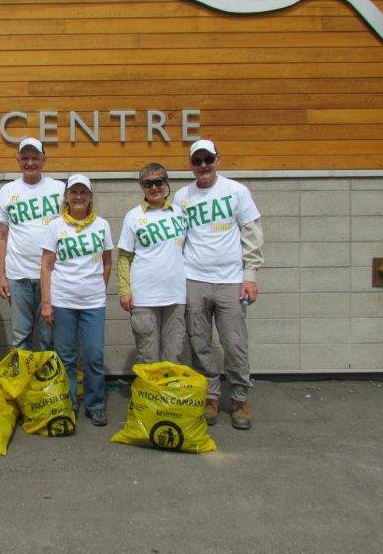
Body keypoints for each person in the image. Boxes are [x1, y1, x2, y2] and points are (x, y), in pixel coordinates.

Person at [174, 139, 264, 430]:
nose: (203, 166)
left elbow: (251, 234)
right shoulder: (182, 196)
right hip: (194, 279)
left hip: (230, 281)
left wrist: (250, 276)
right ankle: (210, 396)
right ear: (190, 165)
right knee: (199, 343)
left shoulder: (236, 192)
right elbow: (178, 239)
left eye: (207, 160)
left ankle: (239, 398)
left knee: (234, 343)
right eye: (197, 161)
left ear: (217, 160)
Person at [40, 174, 113, 426]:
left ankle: (95, 404)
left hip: (93, 303)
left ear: (91, 196)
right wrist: (47, 302)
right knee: (66, 356)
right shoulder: (55, 226)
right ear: (66, 196)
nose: (78, 196)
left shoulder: (102, 225)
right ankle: (68, 402)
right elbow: (47, 266)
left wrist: (96, 288)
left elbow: (107, 262)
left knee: (93, 355)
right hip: (63, 302)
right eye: (74, 192)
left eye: (83, 192)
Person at [0, 137, 65, 351]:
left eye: (35, 157)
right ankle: (21, 382)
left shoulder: (60, 189)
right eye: (25, 158)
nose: (30, 163)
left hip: (52, 275)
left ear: (44, 159)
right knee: (20, 336)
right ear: (18, 159)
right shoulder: (8, 191)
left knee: (49, 337)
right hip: (18, 276)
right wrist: (2, 276)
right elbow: (1, 236)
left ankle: (47, 383)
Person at [117, 163, 187, 365]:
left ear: (167, 183)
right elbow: (124, 257)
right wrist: (124, 290)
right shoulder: (134, 216)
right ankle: (148, 396)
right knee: (148, 355)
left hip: (176, 295)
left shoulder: (179, 212)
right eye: (148, 183)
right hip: (144, 296)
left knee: (174, 353)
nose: (154, 188)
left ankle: (168, 395)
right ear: (141, 186)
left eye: (159, 182)